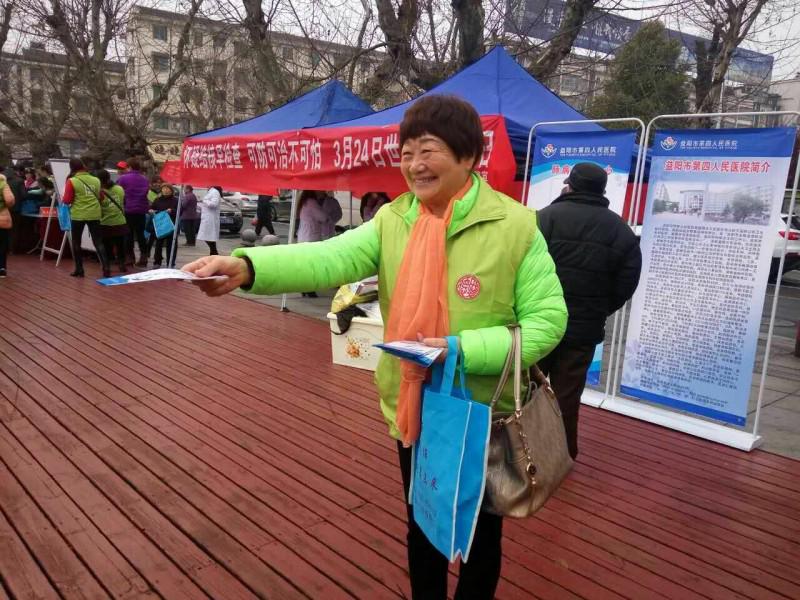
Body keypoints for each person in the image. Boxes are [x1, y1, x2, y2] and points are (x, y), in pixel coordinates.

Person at [182, 95, 567, 600]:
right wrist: (249, 266)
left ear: (469, 157)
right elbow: (328, 257)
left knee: (479, 530)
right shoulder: (394, 220)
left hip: (480, 411)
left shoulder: (515, 227)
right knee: (422, 520)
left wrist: (460, 349)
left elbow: (548, 320)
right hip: (412, 404)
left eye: (428, 151)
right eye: (406, 153)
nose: (414, 165)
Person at [536, 161, 642, 460]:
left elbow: (520, 268)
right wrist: (601, 308)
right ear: (602, 191)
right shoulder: (620, 229)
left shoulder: (544, 218)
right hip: (584, 328)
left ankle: (527, 453)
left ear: (569, 185)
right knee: (567, 394)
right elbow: (627, 280)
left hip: (540, 323)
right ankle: (563, 455)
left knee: (531, 389)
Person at [61, 157, 111, 278]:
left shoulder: (72, 181)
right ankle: (106, 268)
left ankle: (79, 269)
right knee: (98, 241)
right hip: (94, 213)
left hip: (78, 214)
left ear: (72, 168)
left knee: (76, 241)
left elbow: (67, 200)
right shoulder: (96, 180)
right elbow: (101, 197)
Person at [296, 190, 342, 297]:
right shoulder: (312, 202)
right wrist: (329, 219)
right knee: (312, 264)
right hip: (311, 236)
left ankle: (305, 287)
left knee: (307, 264)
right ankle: (309, 288)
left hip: (305, 235)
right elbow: (322, 217)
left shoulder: (306, 201)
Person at [117, 157, 151, 267]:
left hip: (128, 209)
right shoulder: (145, 179)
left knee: (128, 234)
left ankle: (129, 257)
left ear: (129, 167)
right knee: (140, 234)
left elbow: (118, 192)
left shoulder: (123, 179)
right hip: (141, 209)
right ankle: (144, 257)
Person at [97, 169, 128, 273]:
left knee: (106, 247)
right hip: (120, 222)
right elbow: (124, 202)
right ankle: (122, 264)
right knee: (120, 246)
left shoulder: (99, 191)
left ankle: (107, 267)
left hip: (105, 223)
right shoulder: (119, 189)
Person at [146, 184, 178, 268]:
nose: (166, 190)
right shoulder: (158, 199)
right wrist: (150, 210)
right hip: (159, 225)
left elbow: (179, 211)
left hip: (171, 225)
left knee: (171, 245)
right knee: (158, 244)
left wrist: (172, 210)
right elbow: (151, 208)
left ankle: (170, 263)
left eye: (168, 188)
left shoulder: (175, 200)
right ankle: (157, 262)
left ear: (171, 190)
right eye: (164, 188)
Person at [197, 186, 221, 255]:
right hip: (207, 217)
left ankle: (214, 253)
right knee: (207, 237)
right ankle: (213, 252)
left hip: (210, 218)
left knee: (209, 237)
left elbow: (213, 204)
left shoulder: (215, 192)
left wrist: (204, 201)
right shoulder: (211, 191)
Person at [0, 173, 16, 277]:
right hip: (2, 217)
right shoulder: (2, 183)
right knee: (1, 243)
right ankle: (1, 268)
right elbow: (10, 200)